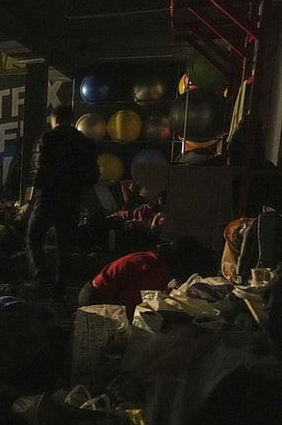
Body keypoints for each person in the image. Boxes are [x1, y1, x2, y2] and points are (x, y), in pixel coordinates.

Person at [26, 104, 100, 300]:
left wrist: (29, 202)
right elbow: (93, 176)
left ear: (55, 118)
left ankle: (41, 274)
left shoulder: (48, 138)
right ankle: (60, 289)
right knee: (65, 249)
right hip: (71, 201)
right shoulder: (86, 143)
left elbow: (39, 174)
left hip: (48, 198)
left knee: (33, 237)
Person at [77, 236, 205, 318]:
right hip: (97, 299)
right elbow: (129, 304)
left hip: (93, 290)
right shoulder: (158, 269)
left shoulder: (153, 258)